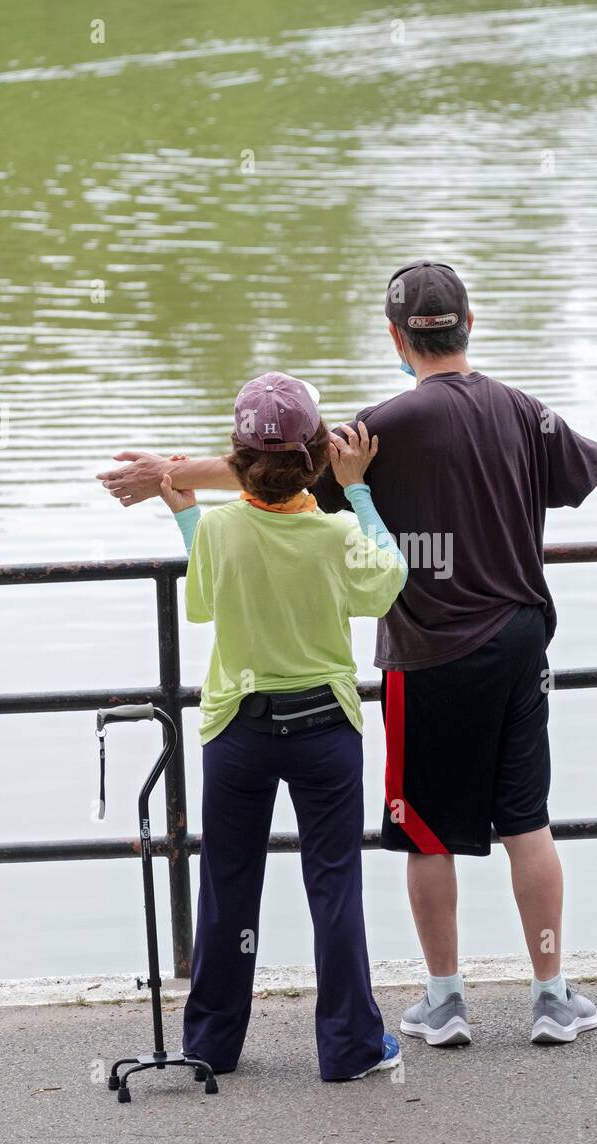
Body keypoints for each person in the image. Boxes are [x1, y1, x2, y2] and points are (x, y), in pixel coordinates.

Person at [99, 261, 597, 1049]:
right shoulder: (524, 414)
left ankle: (445, 1001)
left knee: (425, 830)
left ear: (398, 337)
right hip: (519, 641)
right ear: (470, 323)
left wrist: (164, 474)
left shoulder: (379, 430)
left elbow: (277, 463)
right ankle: (550, 997)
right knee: (527, 822)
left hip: (427, 654)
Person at [145, 371, 408, 1081]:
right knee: (335, 887)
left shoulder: (221, 529)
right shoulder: (336, 533)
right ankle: (351, 1046)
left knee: (229, 886)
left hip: (238, 729)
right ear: (317, 457)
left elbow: (203, 603)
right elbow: (388, 579)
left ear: (237, 460)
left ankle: (211, 1044)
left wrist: (188, 513)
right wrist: (358, 491)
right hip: (325, 725)